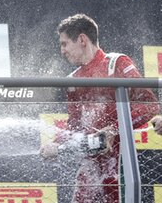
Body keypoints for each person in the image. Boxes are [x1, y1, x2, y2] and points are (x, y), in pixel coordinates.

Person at [40, 14, 159, 202]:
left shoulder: (116, 63)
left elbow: (149, 105)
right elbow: (74, 126)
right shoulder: (72, 81)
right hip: (89, 166)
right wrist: (57, 142)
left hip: (120, 161)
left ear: (82, 40)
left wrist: (113, 129)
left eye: (64, 44)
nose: (62, 51)